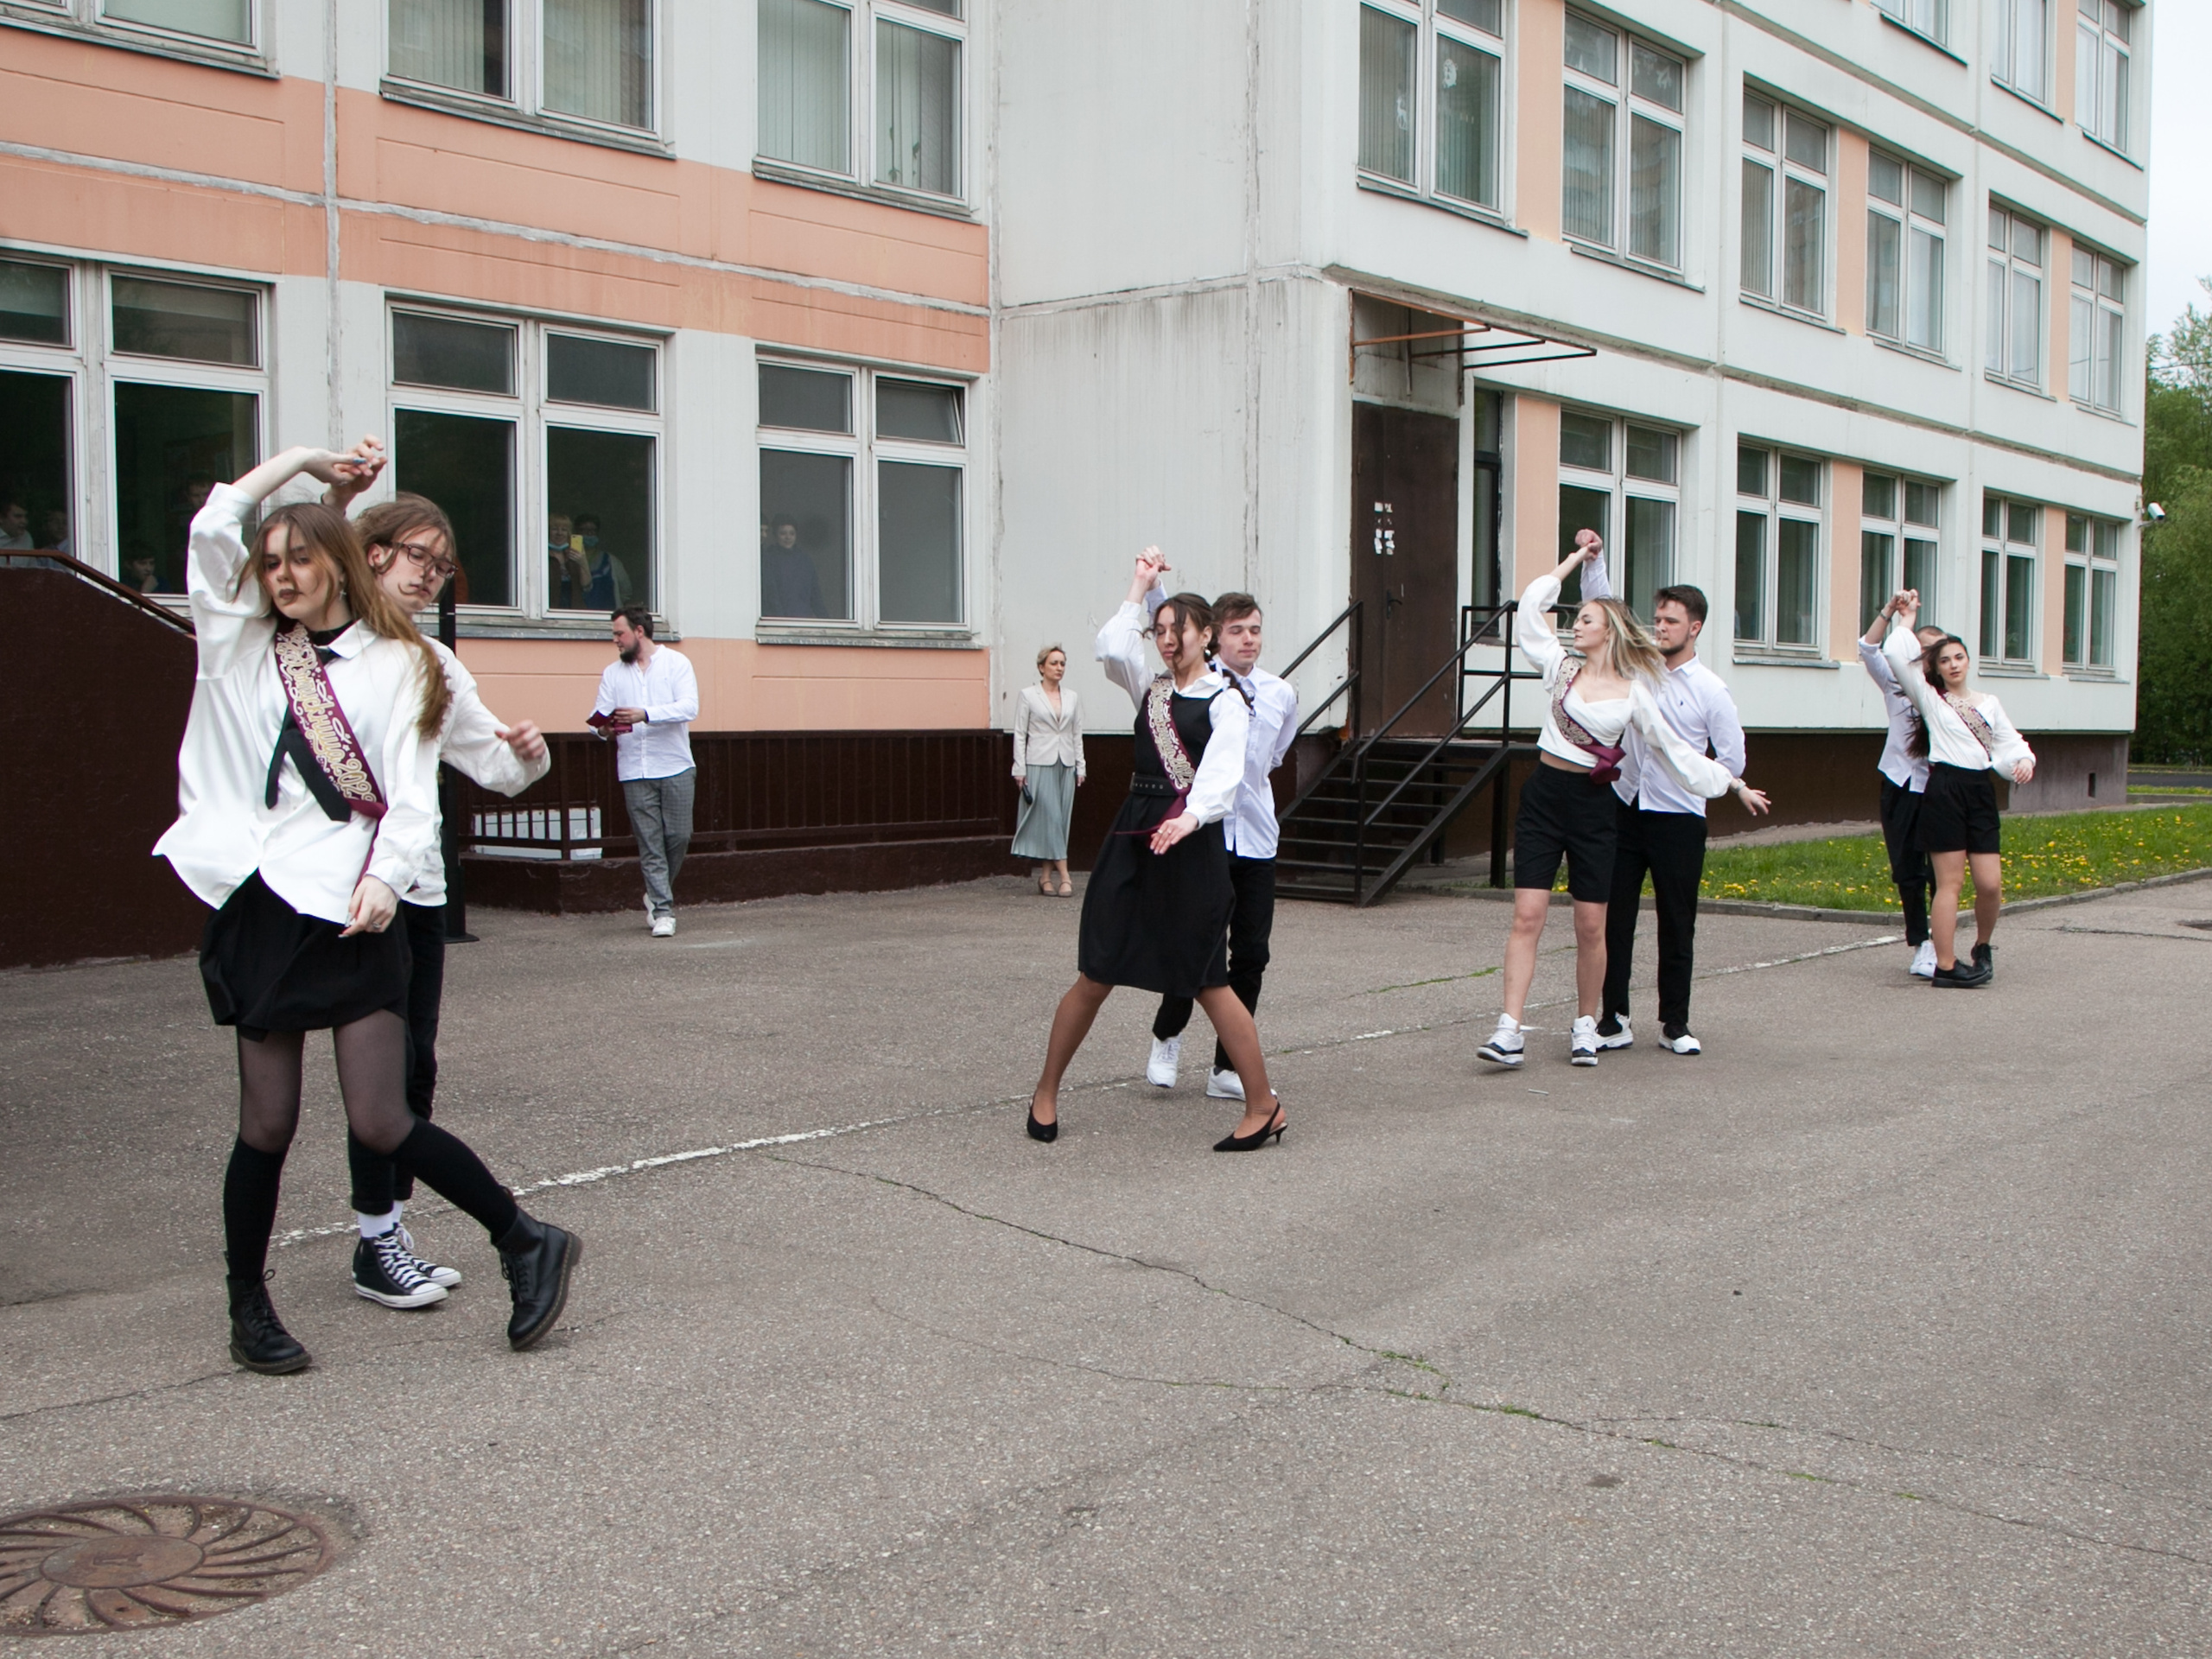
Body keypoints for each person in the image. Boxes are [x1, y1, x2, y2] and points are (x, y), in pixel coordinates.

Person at [154, 439, 581, 1375]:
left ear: (340, 563)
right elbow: (211, 527)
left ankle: (524, 1240)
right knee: (264, 1124)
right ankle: (247, 1308)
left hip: (353, 906)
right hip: (260, 903)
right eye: (269, 565)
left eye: (298, 559)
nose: (280, 577)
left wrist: (388, 878)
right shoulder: (237, 642)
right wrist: (303, 465)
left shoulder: (402, 664)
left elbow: (414, 792)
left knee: (386, 1116)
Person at [326, 487, 552, 1311]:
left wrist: (526, 755)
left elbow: (492, 764)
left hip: (413, 891)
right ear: (374, 551)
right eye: (418, 556)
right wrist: (335, 498)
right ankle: (378, 1239)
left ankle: (380, 1234)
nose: (432, 576)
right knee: (366, 1082)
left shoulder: (435, 665)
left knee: (412, 1070)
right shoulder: (318, 648)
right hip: (336, 890)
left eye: (443, 565)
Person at [1026, 550, 1287, 1153]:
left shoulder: (1227, 701)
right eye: (1160, 630)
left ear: (1205, 636)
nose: (1166, 640)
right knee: (1096, 971)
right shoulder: (1152, 685)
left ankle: (1264, 1105)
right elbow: (1113, 646)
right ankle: (1044, 1092)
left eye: (1178, 630)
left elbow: (1222, 778)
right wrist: (1140, 585)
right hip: (1135, 838)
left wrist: (1189, 818)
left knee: (1208, 981)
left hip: (1190, 846)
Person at [1478, 534, 1758, 1069]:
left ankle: (1593, 1024)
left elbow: (1679, 754)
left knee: (1593, 924)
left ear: (1607, 632)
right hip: (1545, 796)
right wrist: (1578, 560)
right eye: (1576, 619)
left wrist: (1733, 784)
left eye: (1586, 620)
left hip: (1598, 806)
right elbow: (1533, 605)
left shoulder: (1637, 692)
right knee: (1528, 915)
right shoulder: (1558, 667)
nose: (1576, 624)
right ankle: (1510, 1029)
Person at [1580, 549, 1770, 1055]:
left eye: (1671, 621)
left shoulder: (1711, 691)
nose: (1660, 627)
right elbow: (1603, 613)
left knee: (1676, 921)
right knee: (1613, 918)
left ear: (1696, 628)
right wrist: (1591, 561)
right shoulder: (1636, 668)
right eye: (1658, 618)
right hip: (1624, 807)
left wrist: (1726, 785)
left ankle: (1675, 1024)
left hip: (1678, 820)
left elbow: (1731, 759)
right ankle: (1613, 1019)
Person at [1146, 589, 1299, 1100]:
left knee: (1251, 953)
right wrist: (1150, 586)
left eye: (1255, 629)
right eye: (1237, 630)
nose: (1248, 639)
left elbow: (1272, 758)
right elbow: (1169, 625)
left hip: (1255, 839)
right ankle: (1168, 1035)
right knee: (1194, 944)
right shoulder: (1195, 689)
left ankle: (1226, 1067)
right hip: (1204, 835)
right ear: (1214, 635)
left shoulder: (1280, 694)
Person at [1883, 591, 2037, 988]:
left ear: (1969, 662)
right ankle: (1946, 966)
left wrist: (2024, 762)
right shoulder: (1931, 699)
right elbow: (1897, 655)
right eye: (1945, 660)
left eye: (1959, 658)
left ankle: (1982, 946)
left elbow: (2011, 744)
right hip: (1945, 789)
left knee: (1990, 883)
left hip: (1980, 791)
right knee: (1949, 883)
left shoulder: (1989, 703)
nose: (1953, 665)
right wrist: (1907, 619)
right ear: (1936, 666)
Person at [594, 605, 698, 937]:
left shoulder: (676, 663)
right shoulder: (613, 673)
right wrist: (603, 729)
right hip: (633, 768)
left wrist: (645, 714)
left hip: (675, 764)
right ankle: (664, 911)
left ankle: (655, 892)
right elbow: (599, 714)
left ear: (639, 632)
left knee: (679, 836)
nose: (616, 641)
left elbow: (689, 707)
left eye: (619, 634)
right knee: (649, 842)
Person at [1860, 594, 1949, 979]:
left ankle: (1943, 939)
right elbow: (1867, 647)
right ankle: (1921, 943)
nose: (1930, 658)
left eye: (1938, 652)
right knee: (1907, 868)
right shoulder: (1896, 682)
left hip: (1936, 786)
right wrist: (1893, 613)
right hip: (1898, 783)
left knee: (1940, 869)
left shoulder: (1948, 696)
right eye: (1922, 649)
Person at [1011, 645, 1085, 895]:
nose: (1059, 668)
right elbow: (1020, 733)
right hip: (1038, 763)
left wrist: (1080, 765)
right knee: (1052, 818)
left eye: (1062, 663)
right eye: (1054, 663)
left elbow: (1077, 733)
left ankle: (1045, 877)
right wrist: (1019, 767)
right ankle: (1065, 876)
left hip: (1065, 763)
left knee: (1060, 820)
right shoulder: (1028, 695)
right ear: (1041, 667)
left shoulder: (1072, 697)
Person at [761, 515, 828, 619]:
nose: (788, 537)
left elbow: (815, 594)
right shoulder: (768, 558)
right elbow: (771, 595)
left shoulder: (805, 560)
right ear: (775, 535)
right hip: (775, 621)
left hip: (802, 619)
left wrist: (825, 620)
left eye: (792, 533)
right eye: (783, 533)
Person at [574, 513, 633, 611]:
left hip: (606, 617)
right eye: (584, 530)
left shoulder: (611, 561)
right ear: (576, 532)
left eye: (593, 530)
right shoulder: (569, 559)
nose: (589, 534)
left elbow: (626, 592)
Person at [548, 512, 591, 610]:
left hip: (574, 610)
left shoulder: (573, 554)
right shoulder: (542, 555)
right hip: (550, 611)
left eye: (564, 530)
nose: (559, 533)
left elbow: (586, 586)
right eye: (554, 529)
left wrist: (582, 561)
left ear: (569, 533)